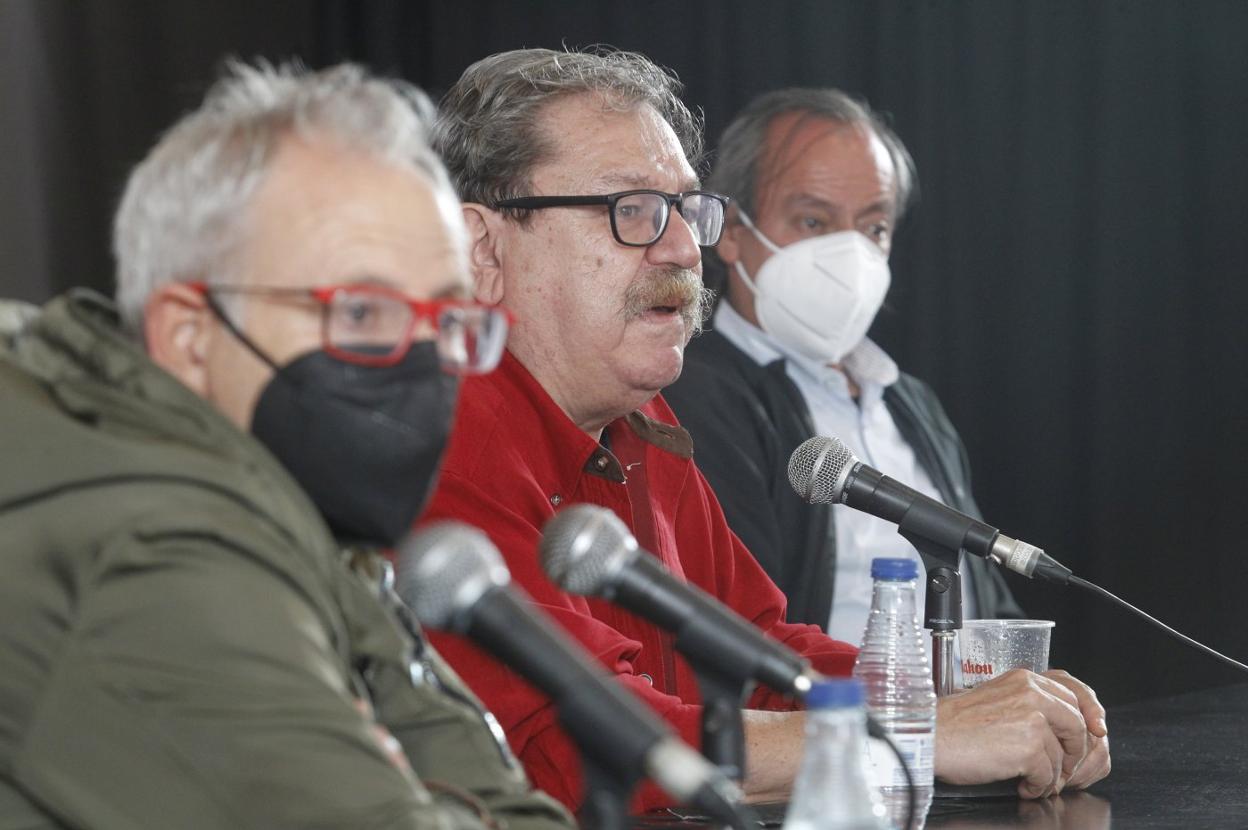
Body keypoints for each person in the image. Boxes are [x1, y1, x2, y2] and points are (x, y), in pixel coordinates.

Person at [421, 47, 1110, 812]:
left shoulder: (642, 424)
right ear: (482, 247)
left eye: (685, 209)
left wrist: (968, 704)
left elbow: (760, 657)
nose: (682, 248)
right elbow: (578, 742)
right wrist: (917, 732)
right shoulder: (438, 444)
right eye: (633, 210)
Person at [0, 61, 571, 830]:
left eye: (446, 320)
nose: (424, 361)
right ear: (190, 338)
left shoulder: (292, 514)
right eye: (361, 313)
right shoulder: (153, 550)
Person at [663, 88, 1022, 644]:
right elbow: (737, 632)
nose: (850, 255)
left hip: (966, 697)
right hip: (826, 699)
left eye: (874, 227)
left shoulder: (910, 402)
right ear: (732, 232)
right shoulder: (691, 395)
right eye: (813, 221)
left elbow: (984, 592)